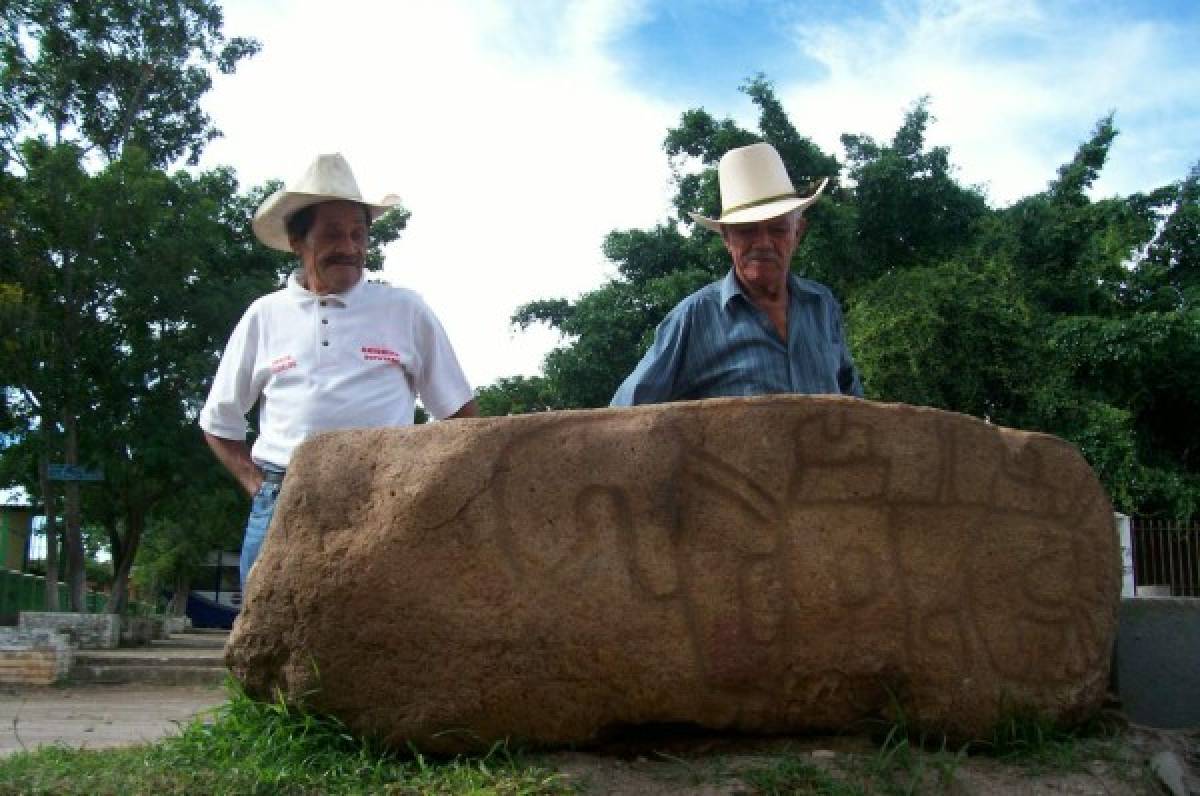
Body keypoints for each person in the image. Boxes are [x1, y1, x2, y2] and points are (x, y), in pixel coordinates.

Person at [199, 153, 478, 586]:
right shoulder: (264, 316)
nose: (349, 248)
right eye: (332, 234)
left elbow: (460, 416)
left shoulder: (404, 309)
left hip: (384, 498)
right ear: (298, 240)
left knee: (385, 630)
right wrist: (257, 485)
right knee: (271, 638)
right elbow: (219, 422)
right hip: (284, 496)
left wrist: (429, 488)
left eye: (358, 234)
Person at [610, 142, 862, 406]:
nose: (763, 243)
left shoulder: (822, 305)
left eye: (777, 229)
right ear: (727, 239)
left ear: (797, 233)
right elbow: (622, 414)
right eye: (747, 231)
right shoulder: (695, 317)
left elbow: (854, 404)